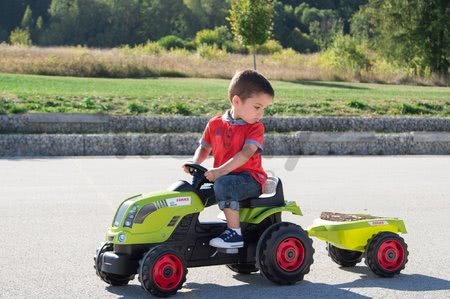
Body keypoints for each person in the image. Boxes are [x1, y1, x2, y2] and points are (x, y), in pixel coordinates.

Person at [183, 69, 274, 249]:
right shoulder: (215, 124)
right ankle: (184, 231)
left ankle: (234, 233)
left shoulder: (255, 128)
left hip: (250, 180)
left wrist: (220, 171)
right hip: (223, 177)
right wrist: (195, 163)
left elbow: (246, 153)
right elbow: (204, 148)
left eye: (264, 108)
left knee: (223, 185)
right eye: (257, 107)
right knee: (191, 191)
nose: (260, 114)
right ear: (236, 101)